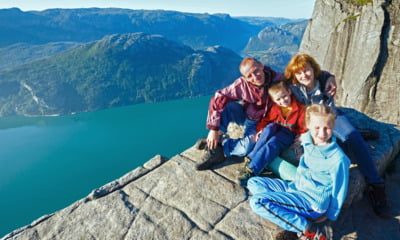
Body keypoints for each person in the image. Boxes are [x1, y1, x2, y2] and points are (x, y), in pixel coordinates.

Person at [285, 53, 390, 218]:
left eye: (306, 70)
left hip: (331, 116)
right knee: (307, 152)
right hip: (311, 123)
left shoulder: (323, 82)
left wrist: (330, 76)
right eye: (299, 73)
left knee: (352, 138)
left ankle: (375, 185)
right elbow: (271, 80)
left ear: (313, 69)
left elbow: (324, 74)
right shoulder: (293, 87)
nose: (303, 75)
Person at [195, 57, 336, 171]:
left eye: (256, 71)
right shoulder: (242, 85)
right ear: (245, 77)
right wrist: (214, 130)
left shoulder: (278, 78)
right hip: (246, 115)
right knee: (225, 106)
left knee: (247, 148)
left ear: (261, 66)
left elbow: (303, 74)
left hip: (262, 122)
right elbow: (218, 97)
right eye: (249, 76)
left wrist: (329, 77)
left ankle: (221, 145)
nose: (255, 77)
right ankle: (214, 142)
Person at [248, 104, 350, 240]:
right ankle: (284, 209)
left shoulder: (338, 159)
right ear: (308, 126)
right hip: (295, 187)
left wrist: (330, 215)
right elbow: (301, 133)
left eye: (327, 128)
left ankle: (309, 230)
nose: (321, 133)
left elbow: (340, 189)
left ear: (333, 126)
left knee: (258, 202)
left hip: (312, 201)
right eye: (317, 128)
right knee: (253, 182)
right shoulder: (308, 139)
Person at [236, 80, 307, 185]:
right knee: (269, 128)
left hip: (288, 133)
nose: (283, 101)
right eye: (278, 99)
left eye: (284, 96)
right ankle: (250, 159)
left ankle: (252, 170)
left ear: (289, 91)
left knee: (272, 143)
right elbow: (267, 120)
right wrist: (260, 130)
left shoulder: (300, 109)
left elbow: (304, 126)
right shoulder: (275, 108)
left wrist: (300, 139)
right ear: (274, 100)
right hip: (277, 128)